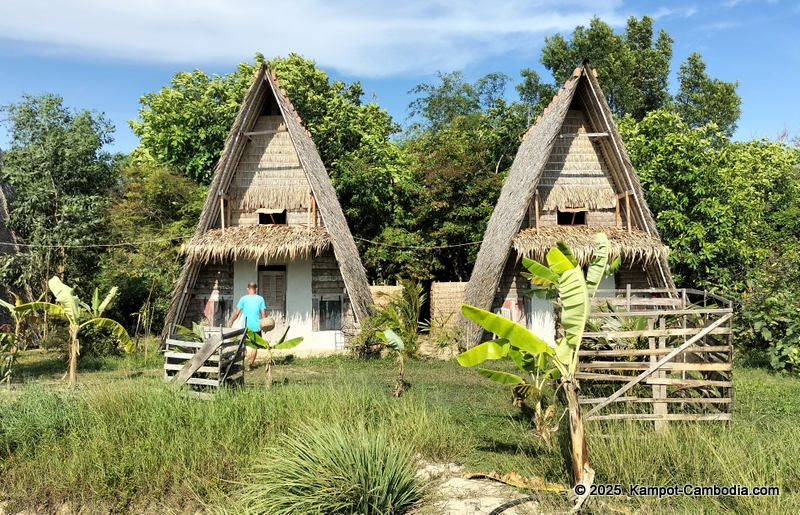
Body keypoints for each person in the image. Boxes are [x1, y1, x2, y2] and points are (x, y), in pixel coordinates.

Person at [228, 282, 266, 370]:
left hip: (245, 327)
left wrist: (232, 321)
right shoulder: (260, 299)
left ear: (247, 289)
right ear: (256, 289)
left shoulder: (243, 299)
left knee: (243, 346)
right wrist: (265, 325)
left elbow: (237, 313)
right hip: (256, 327)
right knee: (254, 347)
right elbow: (263, 313)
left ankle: (242, 364)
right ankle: (250, 366)